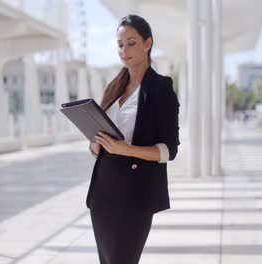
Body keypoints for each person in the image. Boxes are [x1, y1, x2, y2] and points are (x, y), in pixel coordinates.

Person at [87, 14, 180, 264]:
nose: (124, 50)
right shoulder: (113, 87)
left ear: (147, 43)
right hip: (103, 192)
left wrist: (126, 149)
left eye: (131, 42)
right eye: (119, 44)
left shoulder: (161, 88)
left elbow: (169, 150)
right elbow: (98, 146)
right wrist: (95, 144)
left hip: (136, 194)